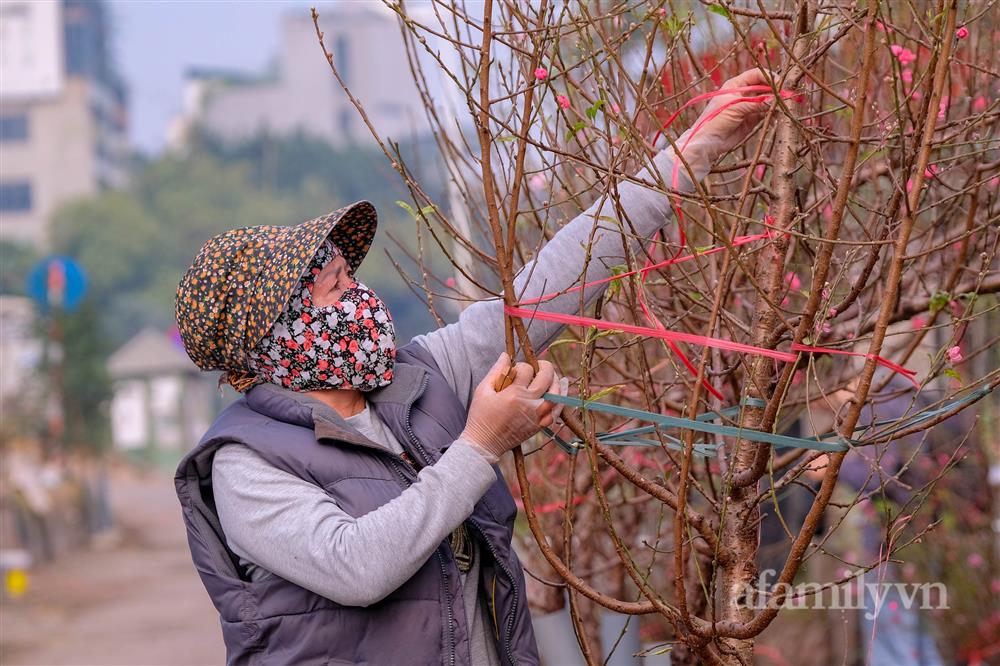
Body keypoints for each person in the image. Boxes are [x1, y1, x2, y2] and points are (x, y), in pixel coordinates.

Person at [173, 68, 772, 666]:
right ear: (274, 335)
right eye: (334, 288)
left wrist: (690, 154)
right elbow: (357, 566)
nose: (360, 297)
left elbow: (549, 287)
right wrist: (481, 442)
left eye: (353, 277)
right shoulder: (246, 463)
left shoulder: (420, 377)